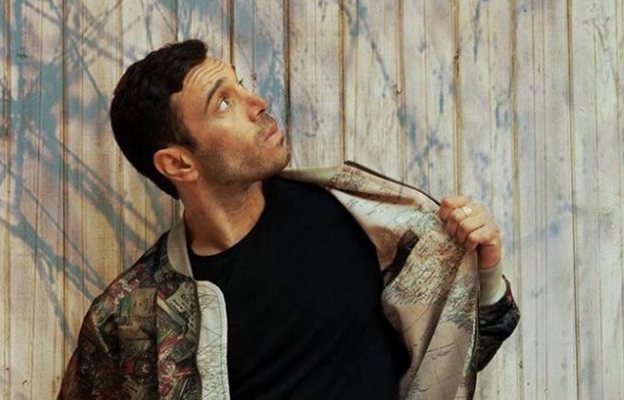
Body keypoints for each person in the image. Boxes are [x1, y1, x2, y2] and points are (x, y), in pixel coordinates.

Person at [58, 39, 519, 400]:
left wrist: (486, 271)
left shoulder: (355, 216)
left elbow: (449, 361)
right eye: (223, 103)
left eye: (242, 84)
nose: (257, 102)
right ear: (178, 164)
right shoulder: (131, 318)